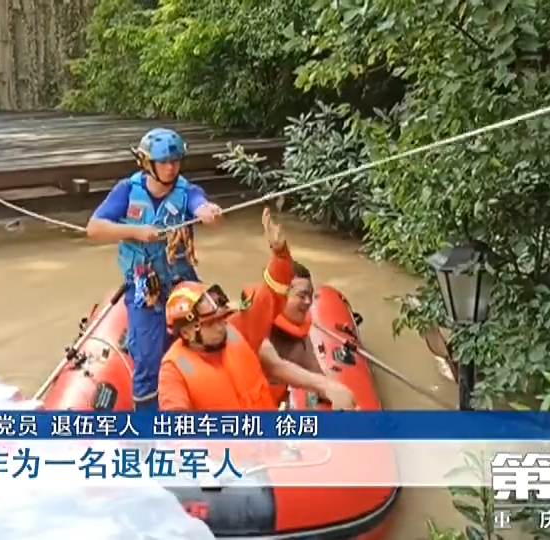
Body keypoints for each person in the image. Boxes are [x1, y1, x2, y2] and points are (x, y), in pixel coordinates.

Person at [86, 128, 222, 411]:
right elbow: (94, 228)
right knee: (148, 359)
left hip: (182, 283)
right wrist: (135, 231)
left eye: (176, 161)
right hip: (144, 285)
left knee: (210, 338)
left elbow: (199, 205)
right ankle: (148, 424)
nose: (171, 168)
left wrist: (207, 212)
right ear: (148, 163)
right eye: (164, 162)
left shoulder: (188, 191)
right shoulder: (127, 190)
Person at [158, 208, 324, 411]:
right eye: (211, 323)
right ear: (187, 332)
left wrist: (280, 254)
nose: (221, 326)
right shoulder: (173, 370)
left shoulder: (236, 332)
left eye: (221, 319)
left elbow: (268, 298)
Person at [254, 261, 357, 410]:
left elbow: (316, 373)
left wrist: (342, 397)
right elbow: (276, 366)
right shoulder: (253, 327)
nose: (308, 302)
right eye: (302, 296)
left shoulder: (298, 335)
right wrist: (326, 385)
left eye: (310, 295)